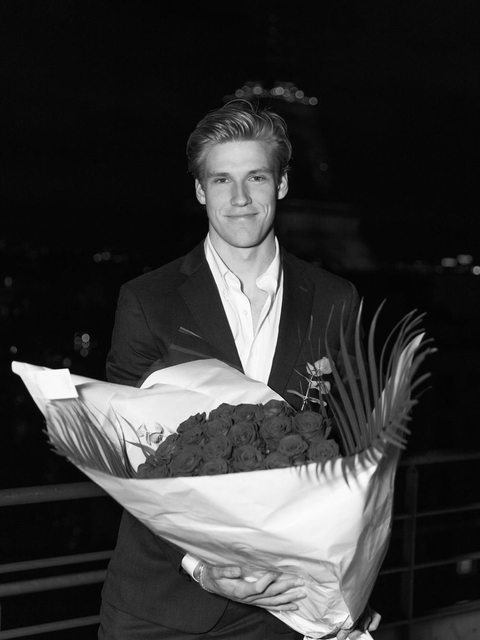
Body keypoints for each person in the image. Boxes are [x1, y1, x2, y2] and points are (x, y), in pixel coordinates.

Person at [99, 99, 381, 639]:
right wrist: (200, 565)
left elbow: (352, 454)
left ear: (282, 184)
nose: (241, 198)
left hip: (285, 605)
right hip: (161, 606)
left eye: (256, 177)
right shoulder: (147, 300)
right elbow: (122, 454)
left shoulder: (335, 299)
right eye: (222, 180)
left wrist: (355, 587)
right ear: (200, 191)